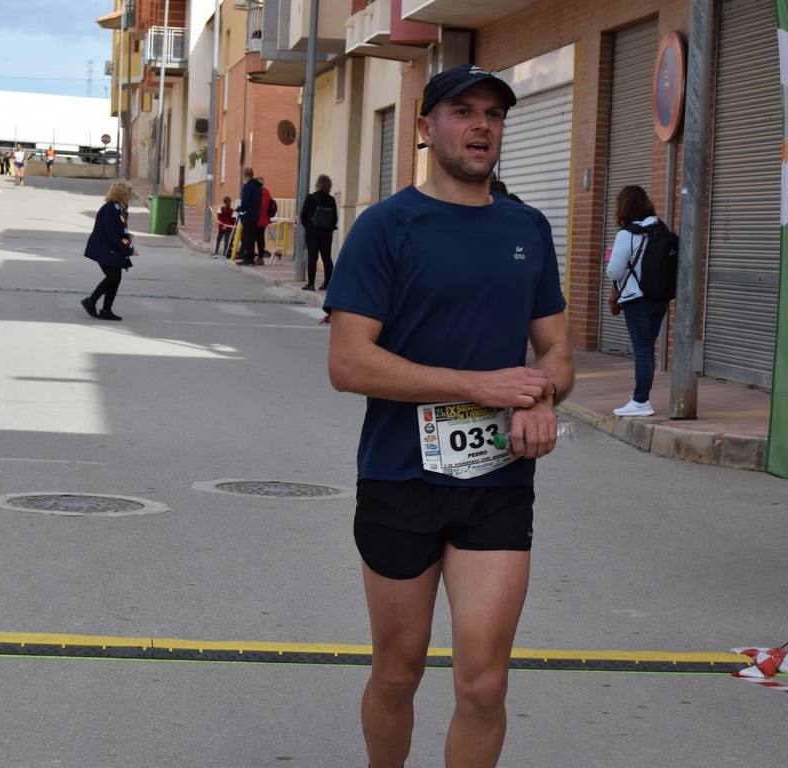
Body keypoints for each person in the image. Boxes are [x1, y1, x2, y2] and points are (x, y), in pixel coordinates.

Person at [325, 63, 574, 768]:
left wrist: (543, 395)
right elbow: (349, 363)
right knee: (398, 673)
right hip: (400, 477)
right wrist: (483, 387)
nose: (481, 126)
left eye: (493, 114)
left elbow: (557, 349)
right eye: (463, 111)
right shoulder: (386, 227)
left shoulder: (527, 227)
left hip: (496, 482)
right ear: (426, 126)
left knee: (484, 686)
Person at [605, 184, 668, 417]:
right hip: (659, 298)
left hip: (636, 299)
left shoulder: (626, 234)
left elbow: (614, 272)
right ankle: (641, 397)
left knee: (642, 350)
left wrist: (611, 257)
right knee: (647, 349)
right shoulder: (659, 228)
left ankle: (641, 401)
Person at [81, 180, 136, 322]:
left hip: (110, 249)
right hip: (103, 248)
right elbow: (110, 234)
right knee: (113, 277)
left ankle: (106, 310)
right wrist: (127, 250)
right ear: (121, 194)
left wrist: (127, 238)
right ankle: (90, 301)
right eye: (129, 192)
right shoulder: (109, 209)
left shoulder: (120, 208)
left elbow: (118, 231)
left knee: (115, 278)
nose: (131, 195)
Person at [298, 174, 338, 291]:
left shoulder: (311, 198)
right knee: (327, 258)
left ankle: (311, 284)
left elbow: (303, 216)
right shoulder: (331, 199)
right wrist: (328, 228)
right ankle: (327, 283)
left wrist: (309, 226)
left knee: (312, 257)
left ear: (317, 184)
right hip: (326, 234)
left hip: (312, 233)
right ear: (329, 185)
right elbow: (334, 218)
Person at [236, 167, 262, 265]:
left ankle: (248, 258)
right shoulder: (258, 186)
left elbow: (246, 202)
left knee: (247, 238)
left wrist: (240, 208)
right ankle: (250, 257)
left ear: (245, 176)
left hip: (248, 216)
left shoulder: (248, 186)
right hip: (255, 215)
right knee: (252, 237)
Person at [255, 177, 272, 265]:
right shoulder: (267, 192)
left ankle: (254, 256)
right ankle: (260, 257)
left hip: (257, 218)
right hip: (264, 218)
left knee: (255, 238)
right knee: (261, 238)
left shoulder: (257, 192)